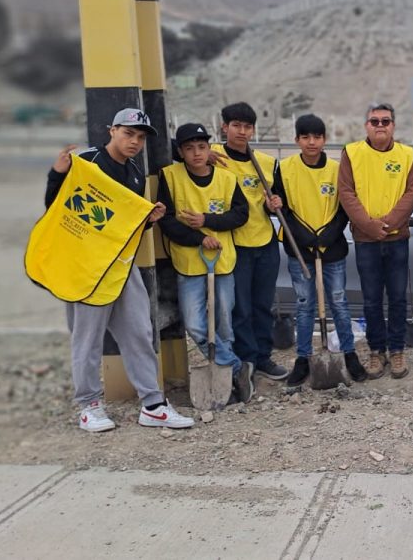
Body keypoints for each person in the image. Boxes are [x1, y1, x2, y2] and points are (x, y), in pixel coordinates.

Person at [43, 107, 194, 432]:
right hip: (86, 270)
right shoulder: (86, 163)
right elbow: (56, 207)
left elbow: (124, 229)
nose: (134, 141)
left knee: (139, 332)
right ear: (112, 130)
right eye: (129, 133)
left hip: (121, 267)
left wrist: (148, 221)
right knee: (87, 339)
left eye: (140, 137)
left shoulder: (136, 174)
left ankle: (153, 404)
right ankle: (89, 406)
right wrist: (56, 174)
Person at [157, 123, 253, 404]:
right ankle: (236, 366)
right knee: (196, 325)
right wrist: (200, 238)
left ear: (210, 149)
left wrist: (207, 221)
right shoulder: (170, 177)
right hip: (189, 264)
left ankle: (229, 380)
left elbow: (240, 215)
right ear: (180, 152)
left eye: (201, 147)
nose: (197, 153)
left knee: (224, 322)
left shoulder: (226, 179)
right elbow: (167, 220)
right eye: (189, 148)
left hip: (222, 263)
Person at [272, 114, 366, 384]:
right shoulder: (286, 168)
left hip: (331, 249)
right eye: (305, 137)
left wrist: (326, 236)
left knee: (339, 301)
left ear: (325, 139)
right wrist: (305, 238)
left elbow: (344, 208)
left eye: (316, 137)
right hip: (300, 250)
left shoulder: (337, 170)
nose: (311, 142)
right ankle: (303, 358)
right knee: (304, 305)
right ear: (297, 140)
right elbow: (283, 209)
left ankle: (349, 355)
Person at [338, 102, 413, 379]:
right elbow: (346, 192)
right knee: (371, 300)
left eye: (386, 121)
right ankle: (376, 351)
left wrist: (391, 222)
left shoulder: (407, 154)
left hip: (398, 239)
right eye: (375, 121)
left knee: (397, 297)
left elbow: (411, 192)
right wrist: (370, 226)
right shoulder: (351, 153)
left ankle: (396, 350)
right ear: (366, 126)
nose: (380, 125)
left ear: (393, 125)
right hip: (365, 240)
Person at [210, 102, 288, 383]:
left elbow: (275, 203)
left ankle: (263, 357)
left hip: (264, 242)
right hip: (234, 244)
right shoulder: (213, 155)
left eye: (247, 126)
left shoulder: (266, 163)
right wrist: (203, 152)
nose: (242, 132)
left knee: (262, 305)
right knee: (239, 308)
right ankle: (246, 360)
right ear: (224, 127)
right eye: (236, 126)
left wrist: (274, 204)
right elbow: (175, 146)